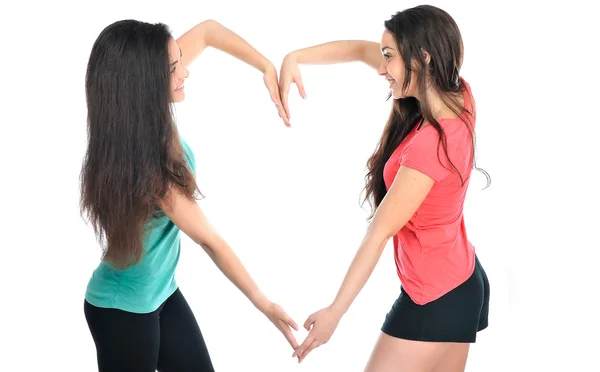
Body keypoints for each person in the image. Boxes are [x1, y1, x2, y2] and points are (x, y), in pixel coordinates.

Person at [278, 5, 491, 371]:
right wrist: (296, 57)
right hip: (464, 281)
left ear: (422, 58)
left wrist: (335, 312)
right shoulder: (462, 97)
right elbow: (362, 51)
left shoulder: (429, 147)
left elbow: (377, 233)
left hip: (434, 299)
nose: (380, 68)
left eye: (389, 58)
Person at [80, 19, 296, 372]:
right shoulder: (150, 169)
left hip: (162, 293)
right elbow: (210, 241)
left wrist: (266, 66)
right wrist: (264, 303)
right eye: (174, 67)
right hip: (123, 310)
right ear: (144, 82)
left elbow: (209, 31)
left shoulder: (143, 107)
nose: (185, 72)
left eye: (180, 59)